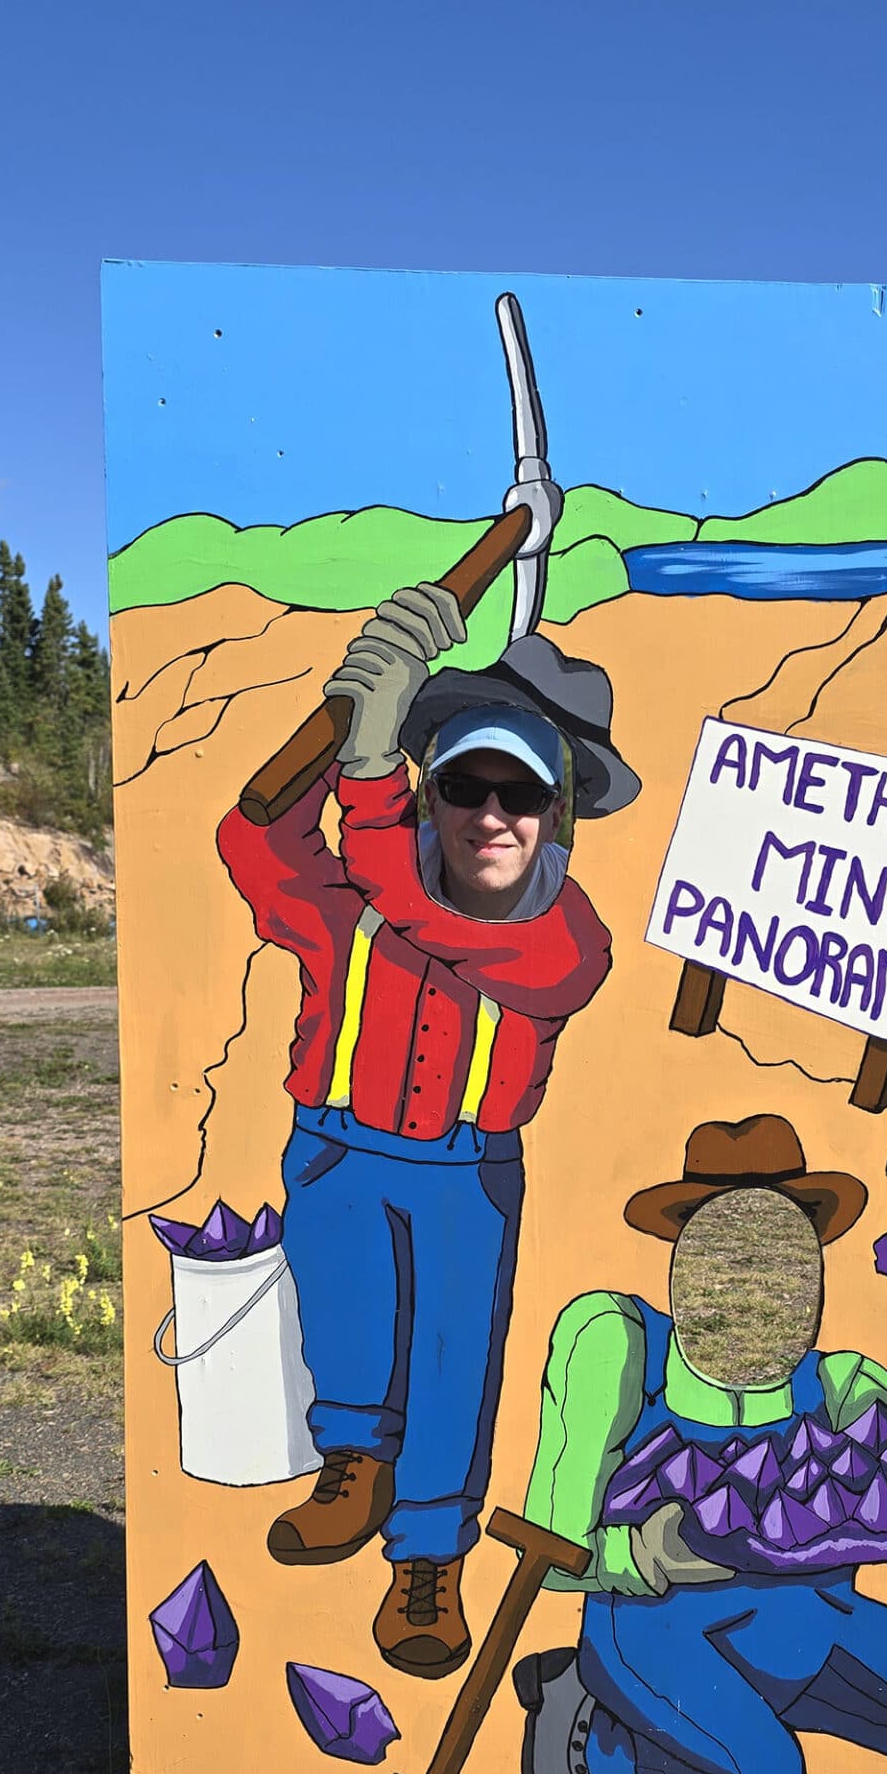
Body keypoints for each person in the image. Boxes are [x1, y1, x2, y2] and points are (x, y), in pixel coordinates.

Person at [216, 581, 636, 1679]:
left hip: (465, 1175)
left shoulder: (561, 938)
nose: (491, 814)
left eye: (522, 792)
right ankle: (353, 1463)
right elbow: (253, 839)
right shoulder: (354, 896)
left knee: (452, 1359)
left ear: (557, 815)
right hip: (338, 1146)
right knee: (348, 1316)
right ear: (432, 797)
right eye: (464, 784)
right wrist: (345, 717)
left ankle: (430, 1557)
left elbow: (445, 927)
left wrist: (364, 783)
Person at [512, 1115, 887, 1774]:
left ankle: (746, 1711)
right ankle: (596, 1733)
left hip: (807, 1627)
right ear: (684, 1245)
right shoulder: (616, 1344)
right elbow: (548, 1551)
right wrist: (646, 1553)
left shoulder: (842, 1386)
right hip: (654, 1629)